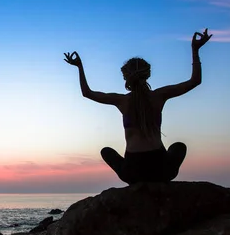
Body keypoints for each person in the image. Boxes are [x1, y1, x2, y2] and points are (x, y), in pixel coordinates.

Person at [64, 28, 213, 183]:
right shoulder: (159, 96)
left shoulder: (122, 100)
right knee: (179, 146)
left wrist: (79, 67)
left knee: (106, 151)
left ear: (125, 77)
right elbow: (195, 80)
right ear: (147, 74)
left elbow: (87, 93)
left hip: (132, 172)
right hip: (161, 169)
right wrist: (195, 50)